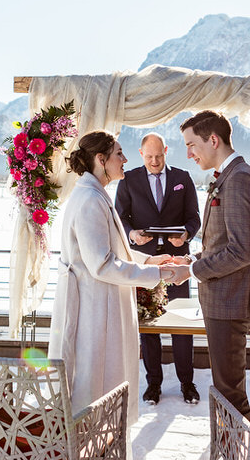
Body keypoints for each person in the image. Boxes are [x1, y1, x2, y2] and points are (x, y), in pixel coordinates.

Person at [47, 131, 180, 426]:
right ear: (100, 159)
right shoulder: (89, 200)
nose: (126, 159)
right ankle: (91, 454)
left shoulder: (94, 193)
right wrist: (156, 274)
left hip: (100, 305)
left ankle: (99, 451)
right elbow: (103, 264)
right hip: (94, 311)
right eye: (119, 153)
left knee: (101, 390)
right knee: (94, 390)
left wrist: (150, 259)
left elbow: (113, 248)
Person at [171, 110, 250, 418]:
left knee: (229, 394)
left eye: (191, 145)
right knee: (227, 389)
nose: (188, 154)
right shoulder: (230, 176)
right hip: (224, 300)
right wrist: (195, 258)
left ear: (213, 140)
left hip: (231, 301)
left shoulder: (239, 179)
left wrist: (192, 271)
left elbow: (241, 251)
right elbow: (223, 243)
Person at [115, 132, 201, 405]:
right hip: (145, 262)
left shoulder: (183, 178)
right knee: (149, 325)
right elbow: (120, 218)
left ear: (166, 151)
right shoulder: (128, 180)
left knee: (181, 325)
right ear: (141, 154)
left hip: (178, 264)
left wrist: (185, 235)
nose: (154, 161)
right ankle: (153, 385)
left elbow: (194, 217)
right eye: (149, 157)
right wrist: (133, 236)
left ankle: (187, 383)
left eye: (159, 156)